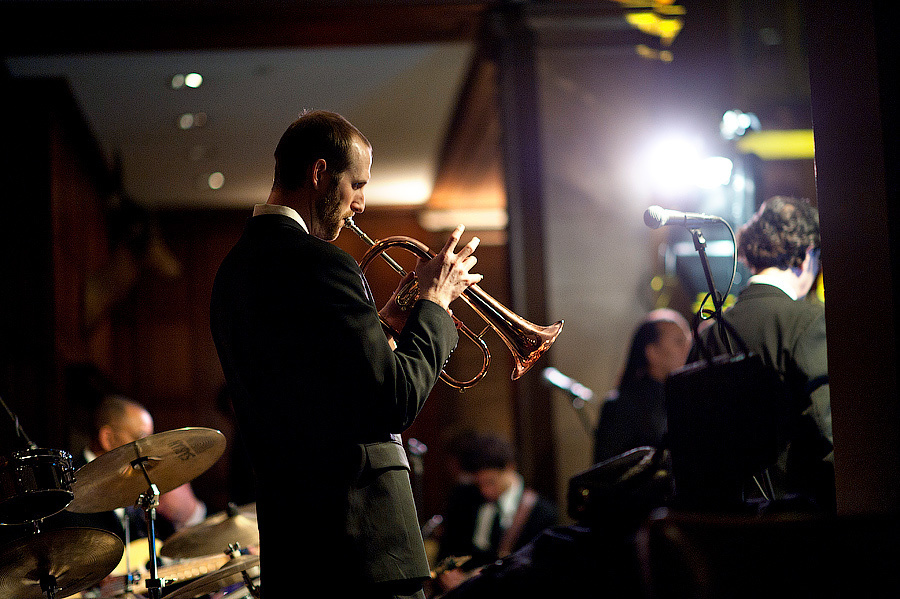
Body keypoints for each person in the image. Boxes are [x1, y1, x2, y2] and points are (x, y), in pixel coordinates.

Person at [209, 110, 482, 598]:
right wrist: (436, 305)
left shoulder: (230, 275)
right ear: (319, 174)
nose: (360, 203)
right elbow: (394, 401)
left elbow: (318, 386)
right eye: (356, 184)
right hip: (365, 548)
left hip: (295, 549)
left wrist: (391, 324)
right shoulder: (324, 263)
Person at [691, 196, 833, 510]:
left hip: (721, 531)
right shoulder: (808, 322)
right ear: (809, 253)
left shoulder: (709, 334)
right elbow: (829, 435)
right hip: (792, 529)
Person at [434, 433, 558, 595]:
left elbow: (539, 572)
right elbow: (447, 549)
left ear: (510, 467)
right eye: (479, 483)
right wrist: (447, 573)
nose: (484, 491)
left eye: (490, 482)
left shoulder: (541, 511)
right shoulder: (463, 499)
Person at [593, 309, 691, 464]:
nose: (688, 348)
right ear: (653, 353)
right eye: (679, 342)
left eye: (688, 341)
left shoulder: (685, 397)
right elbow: (608, 473)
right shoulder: (620, 407)